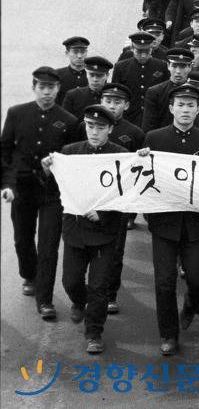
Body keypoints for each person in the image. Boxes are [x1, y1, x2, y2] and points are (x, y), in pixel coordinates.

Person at [137, 84, 199, 356]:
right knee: (164, 282)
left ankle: (191, 305)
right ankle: (169, 335)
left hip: (195, 223)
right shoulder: (154, 138)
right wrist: (140, 160)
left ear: (198, 109)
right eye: (180, 105)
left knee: (197, 279)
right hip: (164, 224)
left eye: (191, 105)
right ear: (171, 108)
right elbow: (141, 176)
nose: (185, 110)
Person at [42, 105, 126, 354]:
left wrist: (103, 214)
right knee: (70, 281)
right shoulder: (70, 153)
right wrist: (48, 171)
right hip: (75, 232)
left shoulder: (120, 156)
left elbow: (125, 197)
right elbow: (54, 192)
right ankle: (80, 301)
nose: (94, 132)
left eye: (100, 128)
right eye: (90, 126)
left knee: (99, 286)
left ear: (110, 129)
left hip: (104, 234)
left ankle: (94, 333)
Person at [0, 67, 78, 316]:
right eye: (41, 87)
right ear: (33, 88)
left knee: (48, 246)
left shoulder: (68, 121)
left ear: (58, 90)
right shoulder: (16, 113)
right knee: (22, 240)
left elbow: (70, 160)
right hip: (21, 190)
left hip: (51, 194)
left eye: (51, 88)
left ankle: (45, 301)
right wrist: (7, 185)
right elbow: (6, 152)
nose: (46, 93)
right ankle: (29, 275)